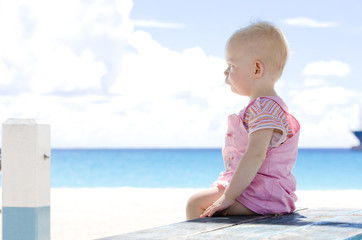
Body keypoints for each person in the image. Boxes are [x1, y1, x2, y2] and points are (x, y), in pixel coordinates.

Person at [186, 21, 300, 220]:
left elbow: (256, 154)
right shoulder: (266, 107)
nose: (225, 73)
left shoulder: (264, 107)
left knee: (196, 203)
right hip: (260, 191)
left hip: (262, 195)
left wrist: (229, 196)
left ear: (257, 69)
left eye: (231, 66)